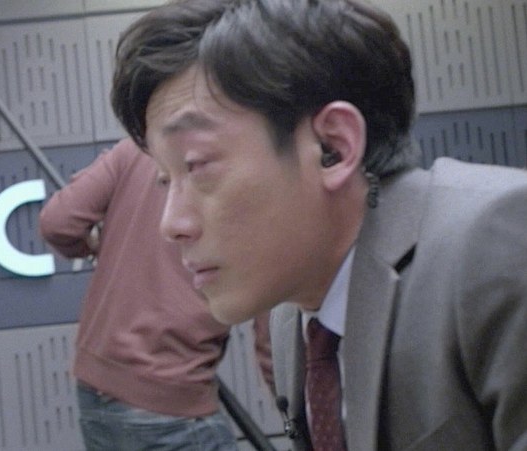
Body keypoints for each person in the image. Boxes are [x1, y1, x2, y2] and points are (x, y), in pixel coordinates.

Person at [109, 0, 527, 450]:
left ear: (333, 147)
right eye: (165, 180)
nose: (171, 224)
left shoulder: (497, 244)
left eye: (197, 165)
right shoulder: (293, 315)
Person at [39, 138, 239, 450]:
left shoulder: (140, 145)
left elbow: (58, 221)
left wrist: (92, 247)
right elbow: (274, 336)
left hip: (97, 387)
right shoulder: (242, 156)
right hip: (171, 389)